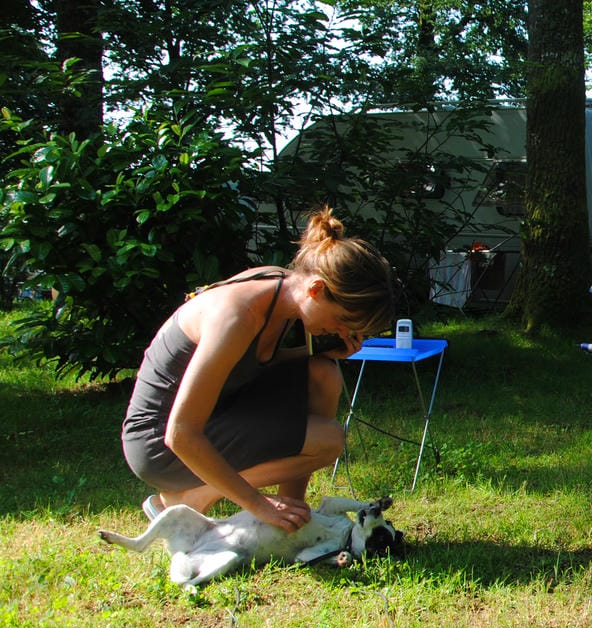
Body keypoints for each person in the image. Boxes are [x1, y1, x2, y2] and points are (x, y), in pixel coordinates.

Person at [121, 207, 396, 531]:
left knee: (323, 373)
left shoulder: (279, 285)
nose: (340, 332)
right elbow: (180, 433)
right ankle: (191, 497)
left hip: (216, 413)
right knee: (329, 439)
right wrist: (256, 502)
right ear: (317, 290)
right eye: (342, 321)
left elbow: (244, 365)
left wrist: (312, 354)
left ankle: (292, 515)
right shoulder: (237, 316)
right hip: (158, 444)